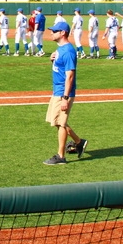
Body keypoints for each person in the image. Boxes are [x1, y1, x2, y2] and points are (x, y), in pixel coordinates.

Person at [43, 21, 87, 166]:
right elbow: (60, 69)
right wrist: (52, 61)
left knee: (61, 123)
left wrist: (65, 98)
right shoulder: (60, 50)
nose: (51, 33)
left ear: (62, 33)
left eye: (54, 31)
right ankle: (79, 142)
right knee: (56, 121)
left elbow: (70, 76)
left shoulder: (68, 51)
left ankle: (61, 156)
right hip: (58, 90)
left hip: (63, 92)